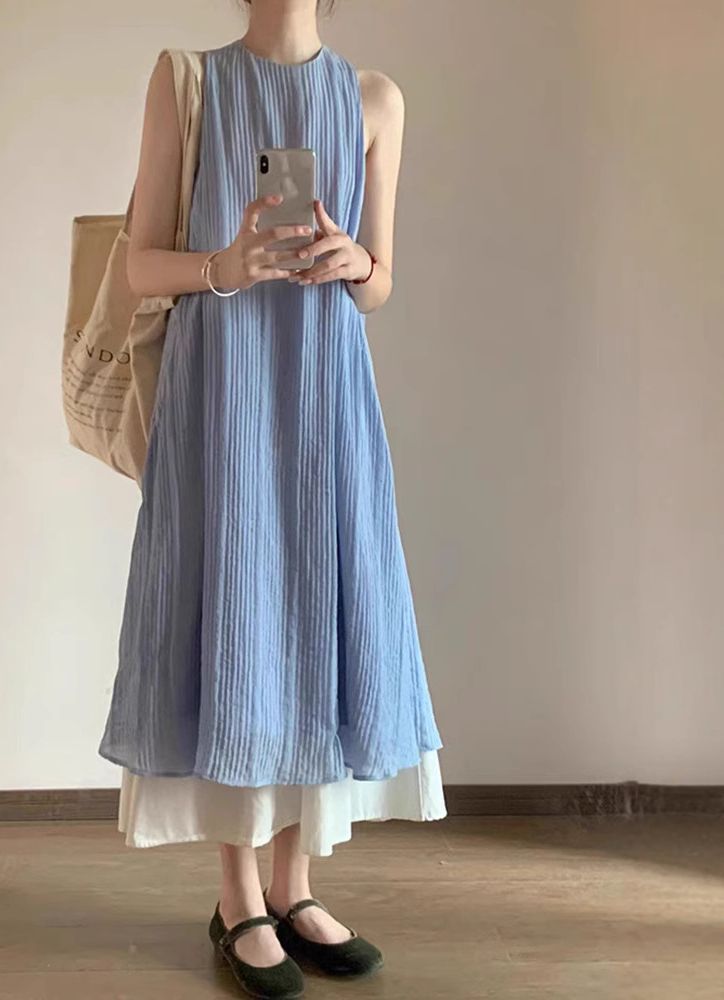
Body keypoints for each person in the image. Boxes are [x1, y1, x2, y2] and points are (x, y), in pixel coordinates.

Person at [98, 1, 446, 996]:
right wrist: (224, 265)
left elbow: (379, 281)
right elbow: (138, 263)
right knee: (238, 616)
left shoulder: (374, 99)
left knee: (318, 618)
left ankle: (295, 886)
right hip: (223, 392)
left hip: (326, 394)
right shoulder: (186, 79)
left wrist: (353, 261)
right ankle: (238, 892)